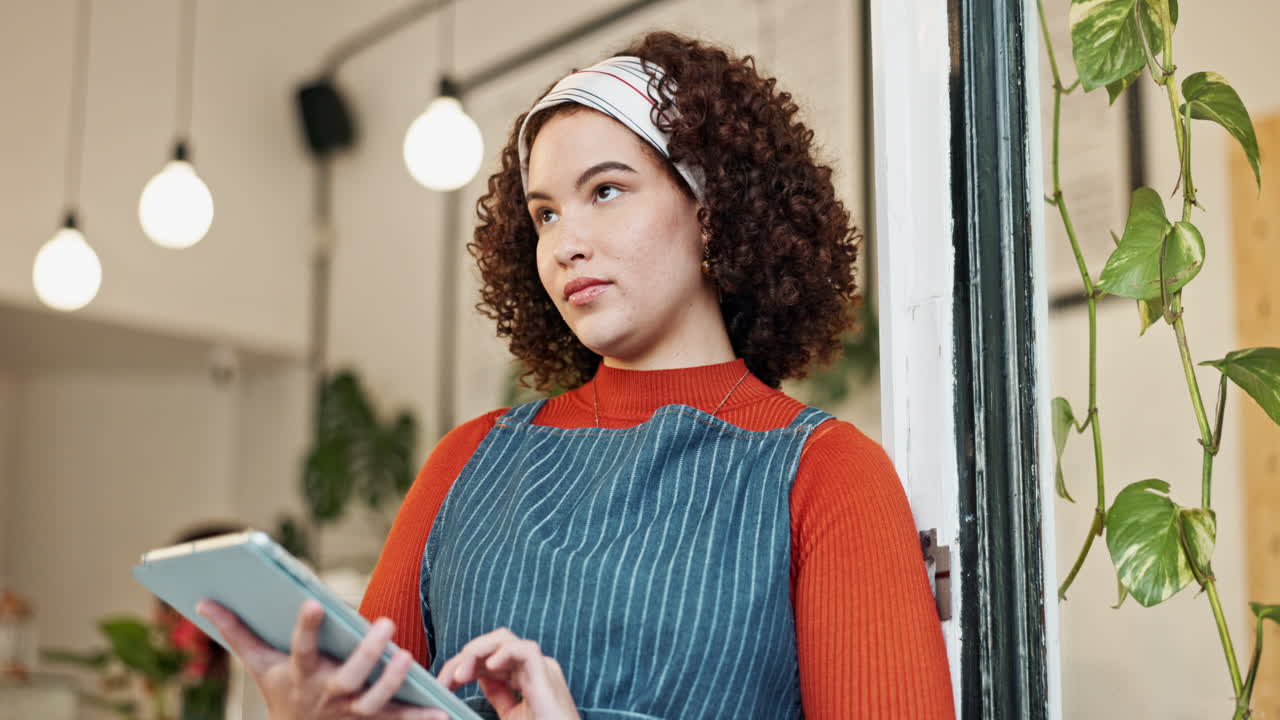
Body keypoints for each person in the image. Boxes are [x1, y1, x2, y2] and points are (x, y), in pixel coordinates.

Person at [198, 30, 953, 720]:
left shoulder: (828, 474)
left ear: (712, 210)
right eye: (546, 214)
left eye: (606, 191)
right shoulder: (465, 463)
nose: (566, 244)